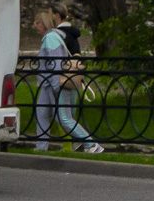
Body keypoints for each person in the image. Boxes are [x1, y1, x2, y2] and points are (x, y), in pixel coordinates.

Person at [31, 9, 102, 153]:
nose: (35, 25)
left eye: (38, 22)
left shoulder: (51, 38)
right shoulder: (52, 37)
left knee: (63, 118)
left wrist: (54, 86)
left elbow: (56, 64)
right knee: (42, 113)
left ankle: (92, 145)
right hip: (48, 84)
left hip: (54, 83)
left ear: (45, 23)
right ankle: (41, 148)